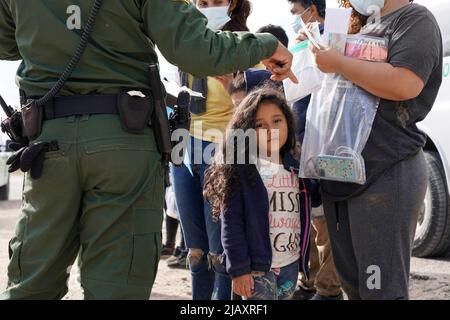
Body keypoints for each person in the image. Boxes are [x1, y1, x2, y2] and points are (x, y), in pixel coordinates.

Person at [0, 0, 296, 300]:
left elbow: (7, 41)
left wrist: (52, 29)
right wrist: (267, 44)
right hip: (123, 143)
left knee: (31, 282)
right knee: (115, 286)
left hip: (48, 144)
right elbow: (196, 50)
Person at [310, 0, 442, 299]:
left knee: (380, 290)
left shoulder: (414, 19)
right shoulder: (364, 23)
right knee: (355, 287)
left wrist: (340, 63)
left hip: (386, 171)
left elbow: (404, 84)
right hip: (341, 172)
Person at [172, 0, 259, 300]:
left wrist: (233, 88)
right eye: (203, 2)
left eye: (217, 2)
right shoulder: (183, 40)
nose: (208, 7)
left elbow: (259, 108)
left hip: (222, 149)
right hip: (182, 150)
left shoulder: (245, 47)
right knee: (195, 253)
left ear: (232, 3)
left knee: (219, 251)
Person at [204, 87, 321, 300]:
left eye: (277, 121)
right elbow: (231, 224)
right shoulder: (242, 170)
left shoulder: (297, 167)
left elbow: (315, 199)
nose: (271, 130)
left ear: (288, 122)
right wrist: (239, 269)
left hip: (290, 264)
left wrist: (322, 172)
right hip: (255, 270)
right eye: (260, 125)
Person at [287, 0, 343, 301]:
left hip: (321, 144)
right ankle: (313, 284)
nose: (294, 19)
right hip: (302, 145)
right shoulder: (300, 45)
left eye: (296, 12)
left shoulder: (326, 40)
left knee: (322, 224)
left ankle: (327, 289)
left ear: (312, 9)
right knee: (310, 221)